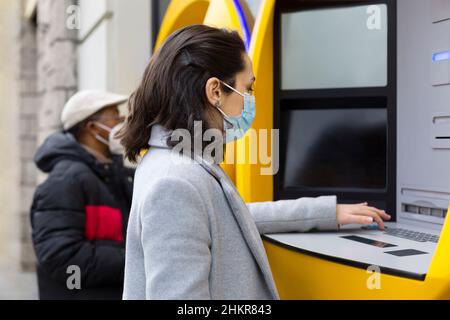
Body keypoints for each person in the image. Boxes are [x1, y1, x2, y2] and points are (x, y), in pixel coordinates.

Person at [119, 25, 391, 300]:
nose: (250, 101)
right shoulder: (175, 181)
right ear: (215, 91)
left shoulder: (174, 161)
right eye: (246, 88)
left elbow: (227, 217)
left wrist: (325, 212)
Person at [30, 90, 134, 300]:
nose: (123, 122)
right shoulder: (65, 181)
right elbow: (62, 258)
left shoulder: (114, 174)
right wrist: (134, 260)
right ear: (92, 127)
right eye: (115, 116)